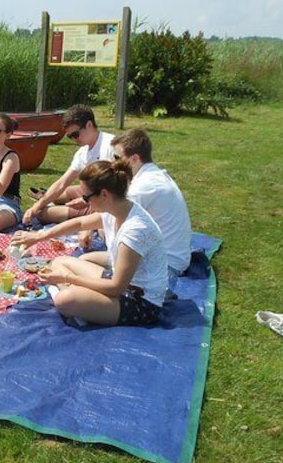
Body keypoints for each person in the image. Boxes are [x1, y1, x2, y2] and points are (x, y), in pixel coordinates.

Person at [11, 160, 167, 326]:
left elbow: (116, 288)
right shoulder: (116, 210)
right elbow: (80, 223)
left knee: (65, 300)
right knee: (59, 261)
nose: (84, 202)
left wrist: (67, 277)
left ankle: (78, 299)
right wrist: (38, 236)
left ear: (105, 194)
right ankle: (84, 300)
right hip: (119, 283)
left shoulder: (134, 231)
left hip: (140, 301)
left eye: (86, 197)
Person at [111, 129, 192, 285]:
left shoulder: (143, 186)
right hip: (171, 256)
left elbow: (114, 222)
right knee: (87, 260)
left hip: (167, 265)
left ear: (134, 159)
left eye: (117, 157)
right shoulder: (152, 174)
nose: (113, 163)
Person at [22, 104, 116, 226]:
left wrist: (85, 200)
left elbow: (117, 188)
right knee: (65, 192)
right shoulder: (82, 152)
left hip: (106, 202)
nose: (73, 139)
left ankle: (83, 216)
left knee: (43, 214)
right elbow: (62, 183)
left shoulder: (111, 146)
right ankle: (47, 200)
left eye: (75, 134)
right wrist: (36, 206)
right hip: (92, 194)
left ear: (89, 125)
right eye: (70, 136)